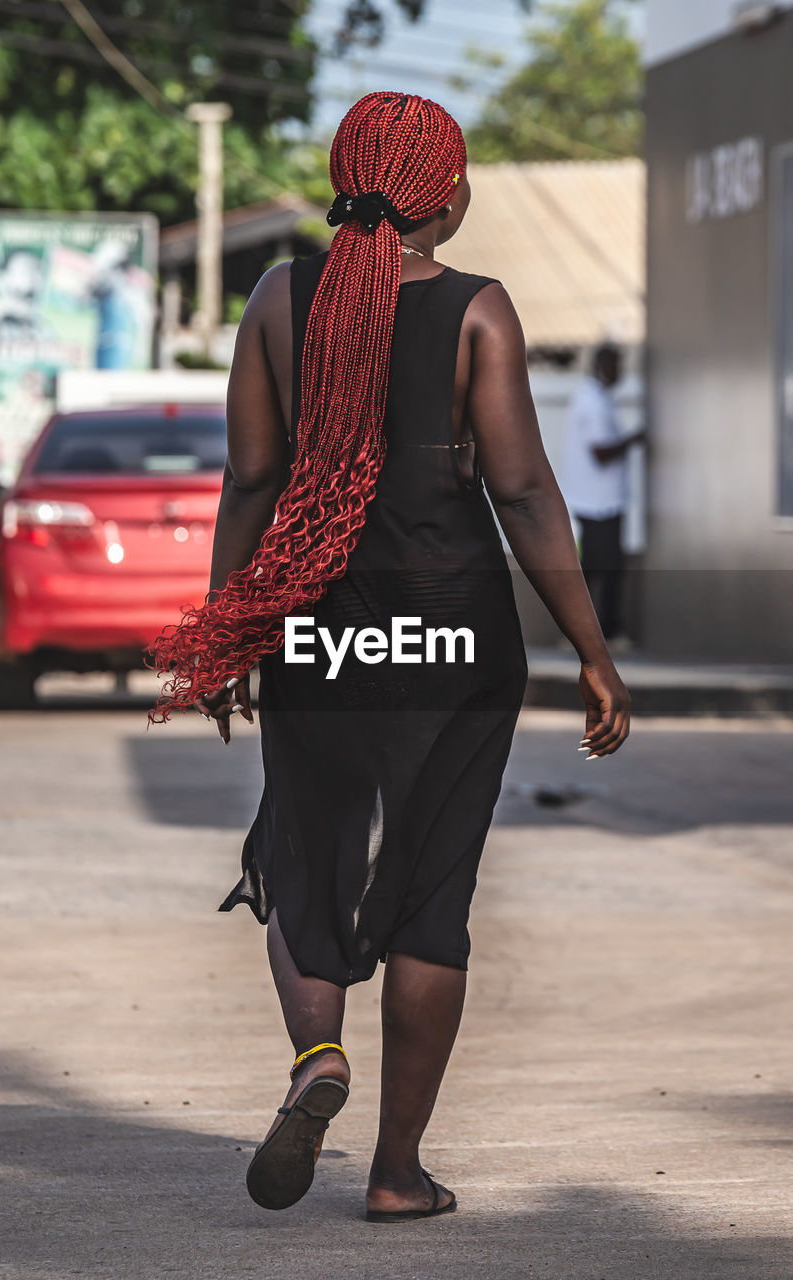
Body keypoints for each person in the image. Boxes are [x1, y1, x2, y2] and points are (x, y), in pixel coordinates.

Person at [152, 92, 632, 1223]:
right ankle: (395, 1169)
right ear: (450, 199)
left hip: (319, 624)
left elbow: (253, 481)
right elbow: (519, 489)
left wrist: (228, 629)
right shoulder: (478, 312)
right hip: (455, 631)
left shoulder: (278, 297)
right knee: (429, 889)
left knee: (304, 858)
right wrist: (592, 650)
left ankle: (318, 1050)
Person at [560, 343, 646, 642]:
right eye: (615, 365)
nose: (620, 372)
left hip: (601, 500)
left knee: (600, 568)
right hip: (597, 502)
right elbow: (601, 452)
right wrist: (635, 439)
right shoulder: (593, 401)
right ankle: (603, 633)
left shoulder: (598, 398)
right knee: (605, 570)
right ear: (601, 366)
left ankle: (587, 632)